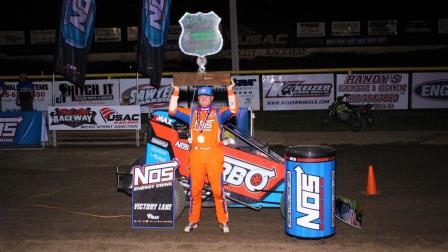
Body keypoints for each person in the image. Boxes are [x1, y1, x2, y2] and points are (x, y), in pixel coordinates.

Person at [168, 81, 238, 233]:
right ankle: (193, 220)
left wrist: (230, 91)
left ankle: (223, 221)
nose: (204, 98)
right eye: (201, 96)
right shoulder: (192, 113)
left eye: (207, 96)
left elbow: (233, 109)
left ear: (212, 98)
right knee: (195, 191)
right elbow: (172, 110)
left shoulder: (218, 113)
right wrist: (176, 91)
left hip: (214, 155)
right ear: (198, 98)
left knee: (218, 191)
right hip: (197, 156)